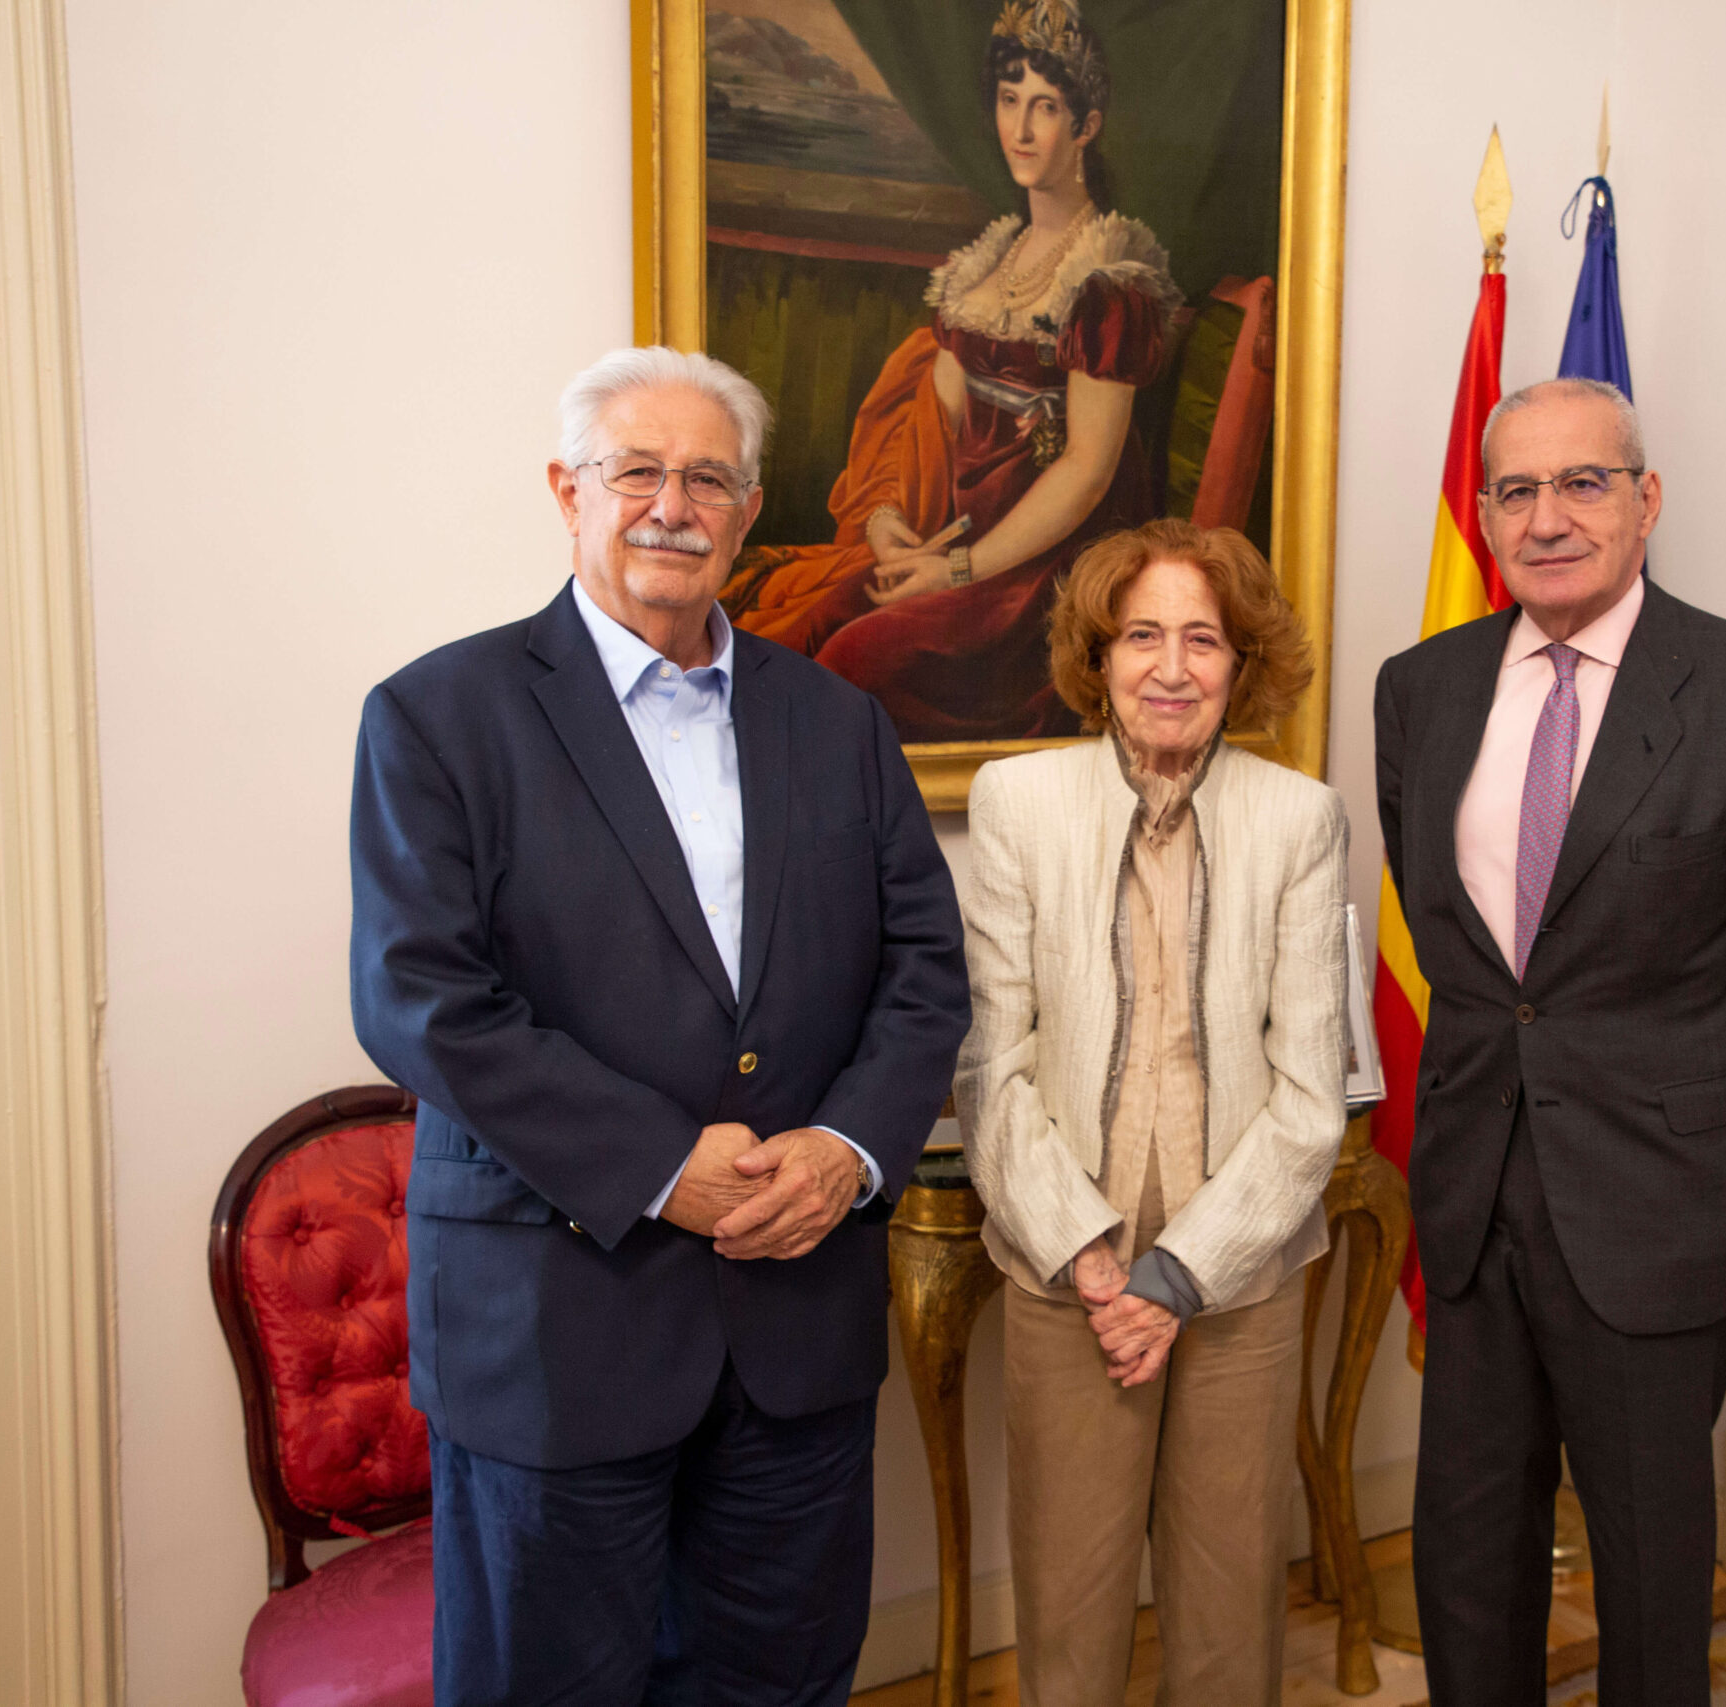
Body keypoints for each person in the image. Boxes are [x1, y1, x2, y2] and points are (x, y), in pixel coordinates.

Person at [349, 346, 968, 1706]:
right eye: (637, 471)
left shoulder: (843, 722)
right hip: (559, 1330)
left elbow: (925, 970)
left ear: (749, 515)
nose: (670, 504)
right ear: (568, 492)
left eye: (708, 477)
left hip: (795, 1322)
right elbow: (421, 1000)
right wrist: (658, 1163)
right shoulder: (439, 716)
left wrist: (848, 1150)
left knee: (782, 1683)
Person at [1374, 378, 1726, 1706]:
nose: (1549, 517)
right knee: (1468, 1545)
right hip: (1475, 1190)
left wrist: (1696, 1106)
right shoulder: (1419, 690)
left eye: (1583, 482)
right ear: (1483, 516)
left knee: (1651, 1564)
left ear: (1647, 501)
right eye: (1518, 490)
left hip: (1654, 1200)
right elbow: (1455, 944)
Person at [955, 517, 1348, 1705]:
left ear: (1242, 662)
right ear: (1099, 654)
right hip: (1065, 1264)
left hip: (1241, 1271)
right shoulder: (1016, 800)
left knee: (1230, 1601)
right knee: (1068, 1603)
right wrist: (1086, 1254)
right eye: (1141, 636)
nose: (1171, 667)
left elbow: (1311, 1093)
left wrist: (1179, 1278)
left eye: (1202, 639)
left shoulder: (1300, 817)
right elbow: (990, 1066)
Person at [722, 0, 1182, 743]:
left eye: (1045, 108)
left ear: (1087, 125)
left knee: (848, 663)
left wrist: (960, 570)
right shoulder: (990, 264)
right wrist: (891, 523)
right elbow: (927, 422)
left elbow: (1088, 471)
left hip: (1045, 576)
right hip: (956, 540)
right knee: (801, 624)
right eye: (1008, 102)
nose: (1022, 130)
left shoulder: (1108, 280)